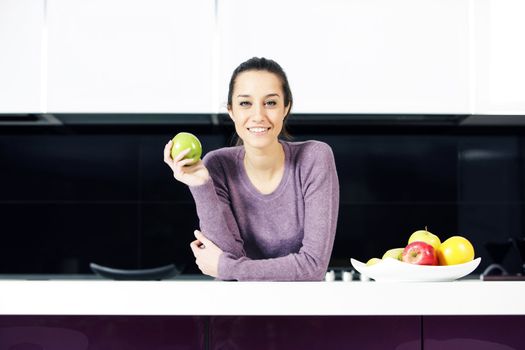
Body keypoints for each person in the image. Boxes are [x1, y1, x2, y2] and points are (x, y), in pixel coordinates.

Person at [163, 57, 339, 281]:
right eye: (245, 103)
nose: (258, 116)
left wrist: (228, 268)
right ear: (231, 111)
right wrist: (200, 186)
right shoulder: (216, 166)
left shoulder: (314, 158)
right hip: (234, 309)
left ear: (286, 108)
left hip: (300, 309)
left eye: (271, 103)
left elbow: (313, 267)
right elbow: (229, 255)